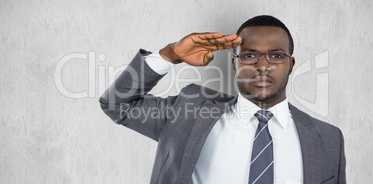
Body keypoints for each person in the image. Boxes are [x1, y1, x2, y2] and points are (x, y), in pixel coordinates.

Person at [99, 15, 346, 184]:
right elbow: (117, 104)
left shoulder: (328, 139)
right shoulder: (190, 110)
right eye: (249, 55)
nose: (262, 66)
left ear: (291, 64)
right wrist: (171, 54)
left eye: (276, 55)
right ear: (234, 63)